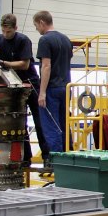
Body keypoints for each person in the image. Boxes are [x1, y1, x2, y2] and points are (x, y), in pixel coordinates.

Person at [0, 13, 47, 164]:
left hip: (30, 84)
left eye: (9, 32)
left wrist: (3, 63)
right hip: (13, 86)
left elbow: (24, 64)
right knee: (19, 122)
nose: (6, 34)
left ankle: (47, 156)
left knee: (40, 122)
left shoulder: (23, 40)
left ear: (15, 28)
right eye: (4, 31)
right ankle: (25, 157)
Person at [32, 10, 73, 158]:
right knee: (63, 125)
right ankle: (69, 161)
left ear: (42, 22)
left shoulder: (45, 40)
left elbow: (46, 66)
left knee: (51, 127)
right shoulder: (66, 40)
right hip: (66, 88)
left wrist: (42, 92)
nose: (37, 29)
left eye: (36, 25)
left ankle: (57, 164)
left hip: (52, 89)